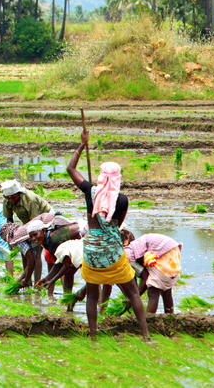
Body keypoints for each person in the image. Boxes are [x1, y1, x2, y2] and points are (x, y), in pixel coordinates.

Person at [67, 129, 149, 340]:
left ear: (102, 177)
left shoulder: (90, 191)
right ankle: (146, 334)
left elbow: (70, 168)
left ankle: (93, 336)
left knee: (92, 295)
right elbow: (118, 226)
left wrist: (82, 145)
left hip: (92, 250)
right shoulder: (122, 200)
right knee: (132, 292)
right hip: (112, 251)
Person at [1, 179, 53, 282]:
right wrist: (15, 237)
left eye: (13, 197)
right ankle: (27, 281)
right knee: (25, 252)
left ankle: (37, 283)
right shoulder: (7, 200)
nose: (11, 200)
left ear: (19, 194)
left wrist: (26, 236)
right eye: (8, 198)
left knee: (36, 252)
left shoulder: (30, 200)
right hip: (27, 224)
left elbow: (36, 223)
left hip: (44, 221)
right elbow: (9, 220)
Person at [125, 233, 182, 313]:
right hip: (173, 253)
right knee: (166, 291)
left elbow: (146, 277)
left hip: (165, 255)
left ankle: (149, 320)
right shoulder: (136, 246)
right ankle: (170, 318)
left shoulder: (126, 256)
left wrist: (133, 299)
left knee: (153, 292)